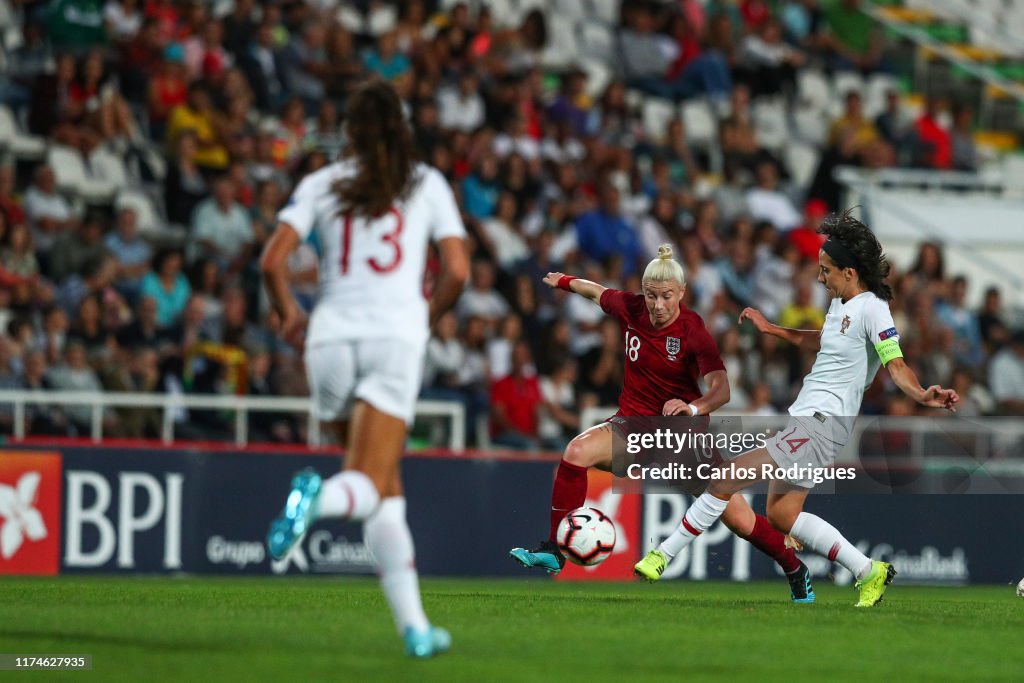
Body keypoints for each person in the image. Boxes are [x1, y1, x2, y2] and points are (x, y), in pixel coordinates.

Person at [634, 210, 959, 607]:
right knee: (783, 516)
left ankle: (662, 554)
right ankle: (868, 570)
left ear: (849, 273)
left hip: (823, 423)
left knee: (725, 479)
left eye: (826, 271)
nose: (820, 278)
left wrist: (923, 394)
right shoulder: (843, 304)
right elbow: (822, 339)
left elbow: (896, 364)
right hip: (809, 420)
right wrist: (773, 329)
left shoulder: (874, 309)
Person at [260, 81, 469, 658]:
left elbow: (272, 260)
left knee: (385, 488)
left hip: (328, 340)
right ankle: (315, 502)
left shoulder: (321, 183)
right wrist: (423, 318)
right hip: (393, 338)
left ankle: (415, 628)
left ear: (348, 132)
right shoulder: (426, 183)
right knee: (370, 481)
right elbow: (457, 271)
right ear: (403, 129)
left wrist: (287, 314)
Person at [510, 246, 816, 603]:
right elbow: (595, 291)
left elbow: (722, 389)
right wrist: (563, 280)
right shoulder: (631, 308)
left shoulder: (693, 330)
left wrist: (691, 406)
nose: (657, 305)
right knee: (576, 451)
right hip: (633, 427)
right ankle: (555, 548)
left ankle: (794, 568)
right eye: (651, 296)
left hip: (681, 439)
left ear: (681, 294)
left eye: (666, 297)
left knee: (738, 519)